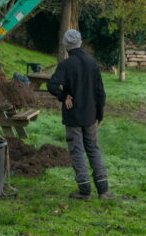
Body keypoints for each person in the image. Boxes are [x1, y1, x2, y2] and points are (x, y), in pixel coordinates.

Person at [48, 29, 113, 200]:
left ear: (66, 45)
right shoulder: (92, 63)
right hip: (90, 115)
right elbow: (101, 92)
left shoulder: (65, 65)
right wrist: (99, 115)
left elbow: (52, 85)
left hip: (73, 116)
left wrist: (63, 96)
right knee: (93, 149)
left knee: (77, 151)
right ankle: (103, 189)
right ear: (80, 42)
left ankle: (84, 191)